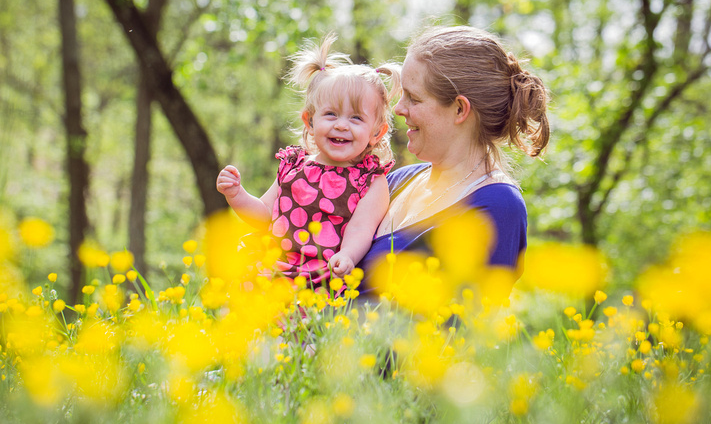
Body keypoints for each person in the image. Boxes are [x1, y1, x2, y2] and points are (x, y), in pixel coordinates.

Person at [357, 25, 550, 292]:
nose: (399, 108)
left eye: (413, 98)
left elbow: (467, 326)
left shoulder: (497, 207)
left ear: (460, 109)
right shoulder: (396, 181)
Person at [216, 33, 399, 288]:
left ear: (376, 132)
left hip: (320, 277)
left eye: (356, 118)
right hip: (270, 268)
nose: (342, 125)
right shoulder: (294, 165)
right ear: (310, 121)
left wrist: (347, 256)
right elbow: (264, 215)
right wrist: (236, 195)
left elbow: (361, 230)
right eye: (331, 114)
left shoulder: (369, 180)